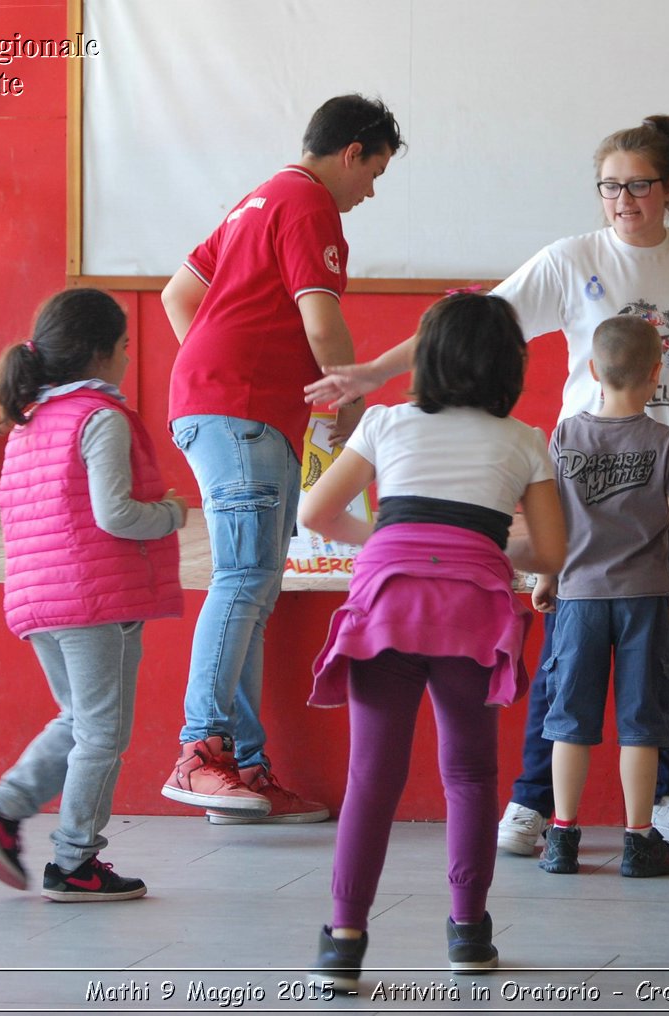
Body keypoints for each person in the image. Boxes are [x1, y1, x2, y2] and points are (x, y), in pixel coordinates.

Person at [308, 115, 669, 853]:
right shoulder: (571, 259)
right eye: (610, 187)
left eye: (639, 186)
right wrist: (370, 373)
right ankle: (531, 802)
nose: (624, 200)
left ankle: (668, 796)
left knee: (667, 651)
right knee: (567, 651)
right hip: (585, 483)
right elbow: (474, 320)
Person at [297, 293, 565, 989]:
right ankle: (469, 935)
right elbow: (553, 551)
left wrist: (384, 541)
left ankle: (344, 942)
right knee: (470, 776)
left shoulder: (385, 422)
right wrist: (482, 545)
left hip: (386, 602)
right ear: (510, 364)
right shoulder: (524, 441)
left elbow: (316, 511)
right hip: (471, 611)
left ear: (428, 358)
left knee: (371, 778)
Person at [158, 94, 404, 825]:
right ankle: (199, 754)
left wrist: (210, 367)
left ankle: (245, 766)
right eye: (375, 171)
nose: (370, 192)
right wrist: (356, 408)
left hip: (221, 407)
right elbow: (322, 326)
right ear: (351, 151)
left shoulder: (255, 200)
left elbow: (178, 297)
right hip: (241, 414)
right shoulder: (308, 204)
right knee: (242, 580)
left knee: (255, 588)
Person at [0, 288, 186, 903]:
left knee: (81, 720)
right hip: (93, 601)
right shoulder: (99, 417)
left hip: (40, 597)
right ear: (97, 353)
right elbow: (116, 516)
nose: (127, 358)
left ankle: (2, 812)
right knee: (103, 734)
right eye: (124, 347)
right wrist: (170, 515)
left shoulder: (31, 419)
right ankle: (76, 861)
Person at [534, 316, 669, 879]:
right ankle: (638, 839)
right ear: (656, 374)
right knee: (642, 722)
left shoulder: (563, 436)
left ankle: (561, 836)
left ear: (592, 371)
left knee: (569, 721)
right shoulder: (667, 443)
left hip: (578, 598)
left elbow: (548, 515)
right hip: (645, 599)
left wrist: (545, 576)